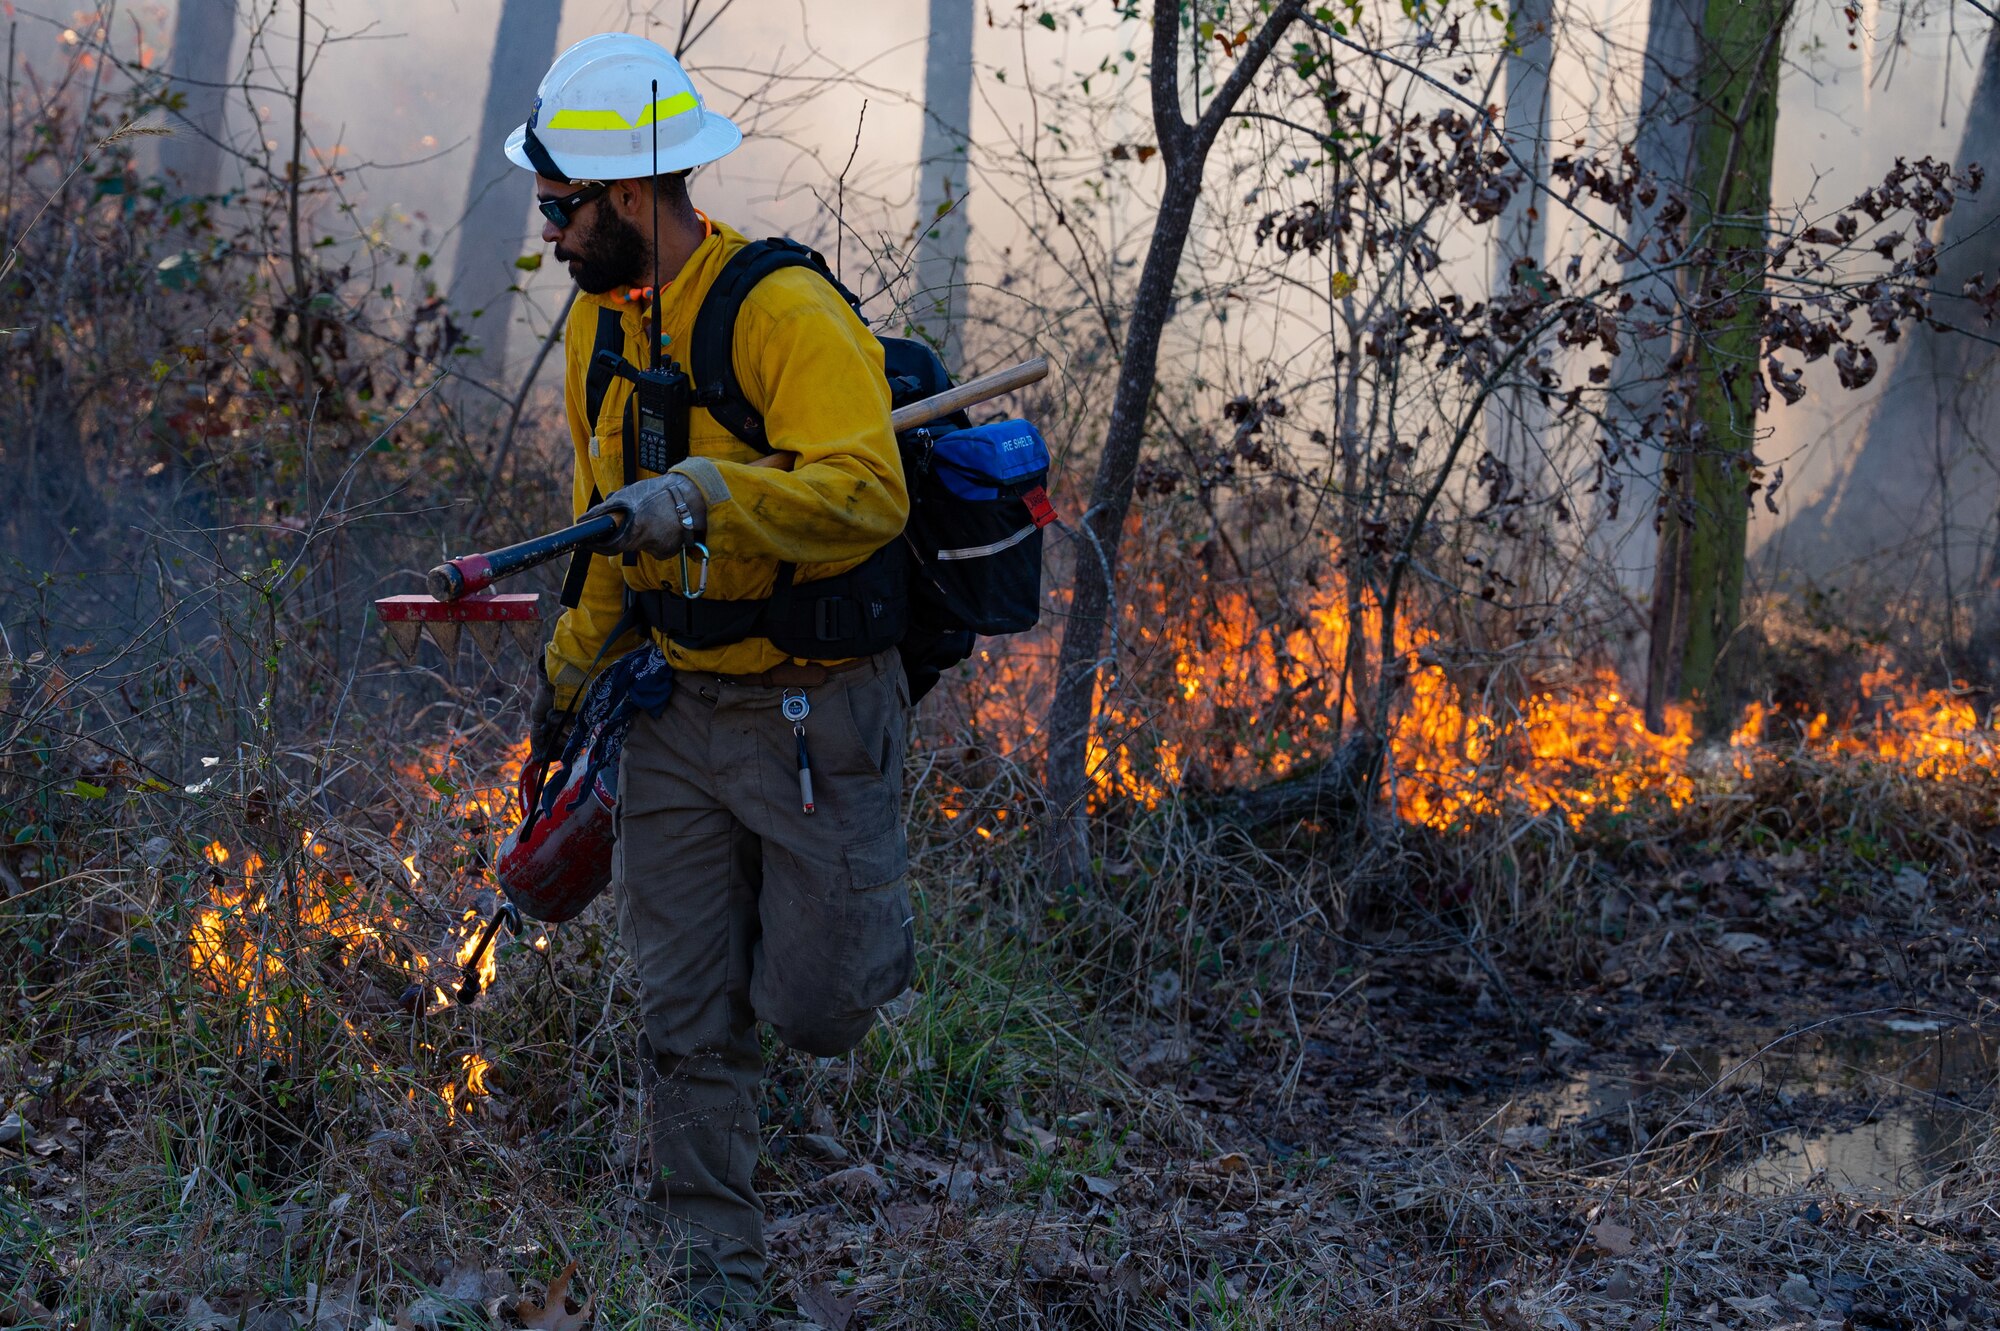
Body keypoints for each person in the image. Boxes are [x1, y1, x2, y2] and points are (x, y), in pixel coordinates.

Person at [503, 32, 915, 1315]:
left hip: (815, 713)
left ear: (630, 198)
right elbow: (601, 523)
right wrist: (567, 683)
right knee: (684, 1019)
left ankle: (821, 932)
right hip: (675, 712)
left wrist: (707, 497)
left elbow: (868, 492)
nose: (552, 235)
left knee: (815, 1010)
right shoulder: (595, 328)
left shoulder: (782, 312)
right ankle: (716, 1288)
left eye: (561, 208)